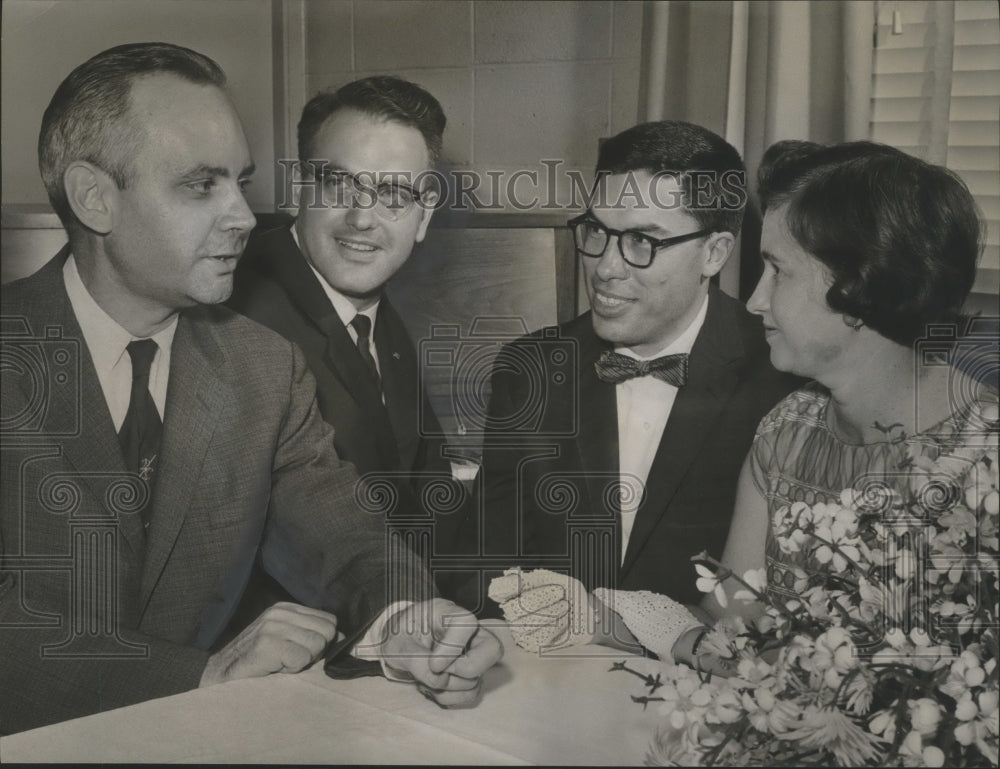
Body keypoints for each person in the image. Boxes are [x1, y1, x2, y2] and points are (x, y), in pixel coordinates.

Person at [0, 42, 499, 735]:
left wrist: (403, 620)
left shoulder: (262, 365)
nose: (242, 214)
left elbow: (343, 533)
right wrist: (194, 675)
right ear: (94, 197)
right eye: (202, 184)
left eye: (241, 180)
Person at [599, 139, 997, 667]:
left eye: (778, 271)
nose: (755, 299)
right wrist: (612, 619)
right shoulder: (785, 432)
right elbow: (729, 625)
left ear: (859, 287)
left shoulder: (984, 459)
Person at [460, 121, 798, 622]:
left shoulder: (780, 376)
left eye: (642, 241)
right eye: (597, 232)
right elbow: (485, 559)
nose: (605, 268)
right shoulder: (528, 368)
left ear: (714, 253)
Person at [228, 77, 458, 620]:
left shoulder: (375, 312)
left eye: (395, 195)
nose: (362, 218)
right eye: (339, 185)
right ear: (299, 188)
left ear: (422, 217)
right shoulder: (238, 313)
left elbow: (424, 495)